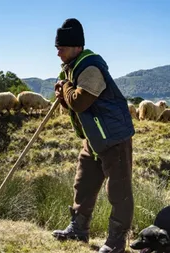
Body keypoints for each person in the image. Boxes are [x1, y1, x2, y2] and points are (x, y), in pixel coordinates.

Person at [52, 18, 135, 253]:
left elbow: (80, 102)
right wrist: (64, 93)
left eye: (62, 48)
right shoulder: (73, 68)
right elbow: (77, 105)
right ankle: (78, 230)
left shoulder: (90, 67)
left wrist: (66, 89)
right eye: (57, 48)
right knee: (83, 184)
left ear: (76, 46)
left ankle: (116, 243)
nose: (58, 53)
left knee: (118, 192)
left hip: (113, 139)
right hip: (94, 139)